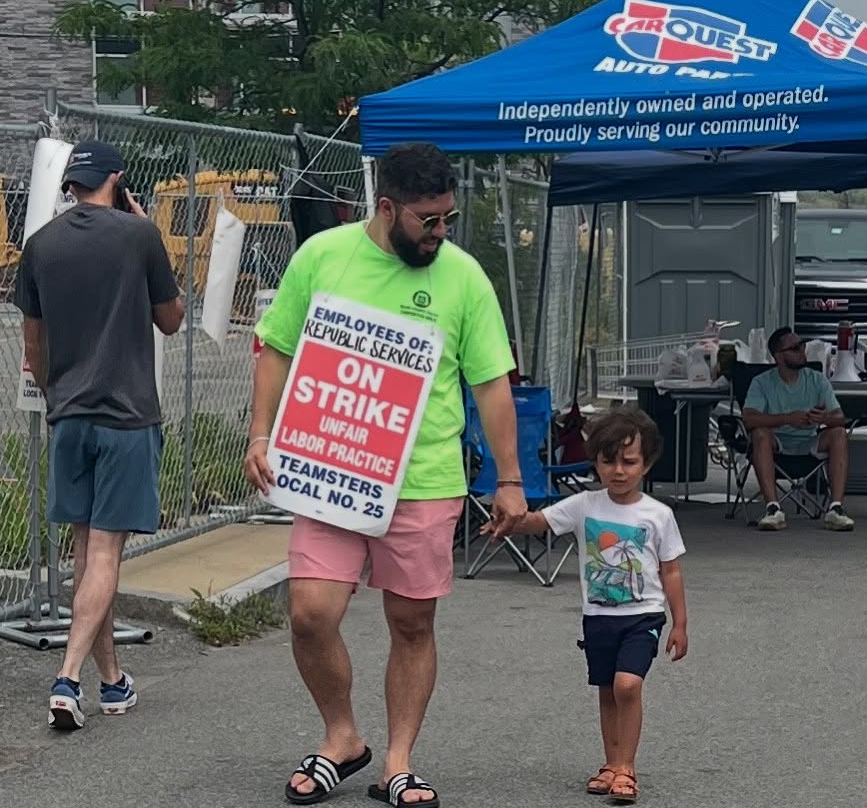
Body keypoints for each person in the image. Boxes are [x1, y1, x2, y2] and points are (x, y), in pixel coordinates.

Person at [244, 142, 527, 807]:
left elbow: (491, 383)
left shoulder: (463, 278)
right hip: (331, 469)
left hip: (423, 479)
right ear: (387, 207)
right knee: (310, 614)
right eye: (428, 219)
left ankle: (397, 763)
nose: (440, 231)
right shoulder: (324, 256)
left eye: (448, 217)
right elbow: (276, 345)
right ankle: (342, 736)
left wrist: (510, 478)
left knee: (411, 623)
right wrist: (260, 432)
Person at [13, 139, 183, 731]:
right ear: (117, 179)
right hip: (127, 414)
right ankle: (67, 678)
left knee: (87, 553)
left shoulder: (40, 245)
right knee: (106, 553)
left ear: (71, 185)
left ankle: (112, 681)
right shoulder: (139, 236)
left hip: (70, 414)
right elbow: (171, 319)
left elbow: (32, 339)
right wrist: (147, 230)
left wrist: (55, 395)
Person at [483, 406, 688, 804]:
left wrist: (680, 623)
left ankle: (627, 767)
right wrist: (509, 522)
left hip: (642, 617)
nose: (618, 471)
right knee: (608, 691)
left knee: (628, 685)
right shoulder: (584, 505)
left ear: (647, 463)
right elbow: (540, 521)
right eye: (608, 461)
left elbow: (672, 571)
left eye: (629, 462)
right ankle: (611, 764)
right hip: (597, 618)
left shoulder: (658, 515)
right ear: (595, 462)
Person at [742, 326, 853, 532]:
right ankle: (773, 508)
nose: (802, 350)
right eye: (795, 348)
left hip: (810, 441)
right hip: (776, 443)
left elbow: (839, 416)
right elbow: (748, 418)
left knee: (839, 432)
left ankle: (836, 508)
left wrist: (824, 418)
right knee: (759, 433)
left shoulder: (817, 379)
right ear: (778, 356)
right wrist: (787, 419)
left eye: (802, 345)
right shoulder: (762, 382)